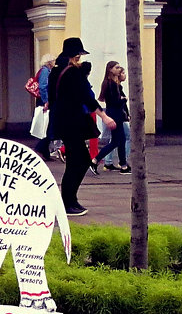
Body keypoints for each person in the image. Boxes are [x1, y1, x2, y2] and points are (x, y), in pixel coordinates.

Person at [48, 37, 114, 216]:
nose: (79, 59)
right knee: (80, 161)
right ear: (74, 55)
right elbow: (86, 96)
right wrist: (104, 116)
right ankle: (68, 201)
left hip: (62, 121)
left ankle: (70, 200)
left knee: (76, 161)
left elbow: (52, 97)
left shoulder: (55, 70)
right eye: (78, 56)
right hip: (73, 121)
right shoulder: (71, 72)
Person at [91, 61, 131, 175]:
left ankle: (123, 166)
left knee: (121, 140)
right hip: (115, 115)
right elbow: (115, 102)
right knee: (115, 141)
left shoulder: (114, 83)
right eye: (116, 67)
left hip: (115, 114)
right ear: (110, 70)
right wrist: (124, 99)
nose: (119, 70)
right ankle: (95, 160)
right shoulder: (111, 84)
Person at [31, 53, 56, 157]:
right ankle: (40, 148)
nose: (55, 62)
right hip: (44, 100)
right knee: (48, 125)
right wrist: (46, 101)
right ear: (49, 61)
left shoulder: (43, 70)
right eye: (54, 60)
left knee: (46, 125)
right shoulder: (46, 71)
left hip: (42, 100)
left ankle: (45, 152)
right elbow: (43, 86)